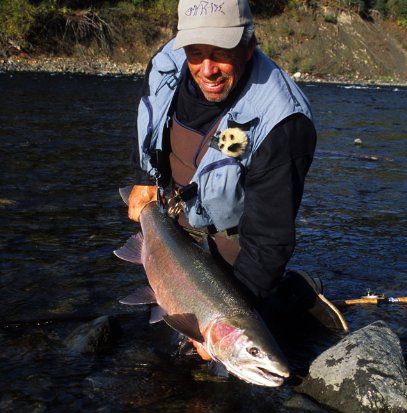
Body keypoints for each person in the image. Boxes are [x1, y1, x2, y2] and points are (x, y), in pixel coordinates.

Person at [128, 0, 347, 333]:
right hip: (171, 222)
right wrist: (143, 175)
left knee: (229, 348)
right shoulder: (168, 61)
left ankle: (292, 296)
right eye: (195, 52)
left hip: (234, 248)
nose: (206, 69)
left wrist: (225, 323)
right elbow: (151, 113)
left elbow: (268, 241)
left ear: (248, 47)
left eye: (221, 52)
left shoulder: (283, 124)